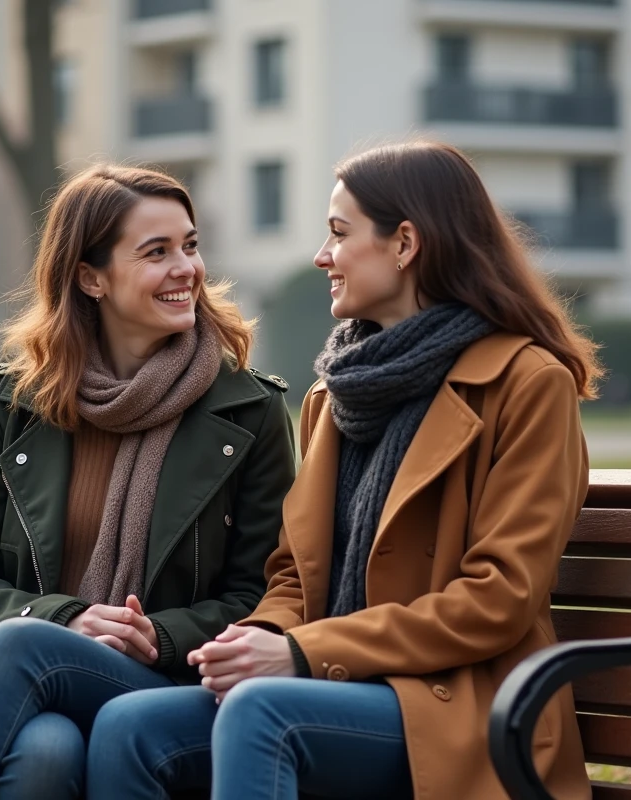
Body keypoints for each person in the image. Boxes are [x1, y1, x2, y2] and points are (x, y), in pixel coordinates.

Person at [87, 140, 601, 800]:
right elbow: (294, 574)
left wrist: (303, 652)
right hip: (337, 689)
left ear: (405, 244)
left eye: (338, 233)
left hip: (465, 707)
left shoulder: (527, 384)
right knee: (128, 726)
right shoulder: (335, 397)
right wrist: (260, 637)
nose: (321, 256)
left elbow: (498, 598)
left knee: (261, 712)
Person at [0, 164, 298, 800]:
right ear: (91, 278)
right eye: (156, 252)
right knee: (45, 752)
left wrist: (159, 636)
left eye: (190, 246)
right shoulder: (15, 403)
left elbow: (264, 593)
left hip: (163, 687)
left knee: (26, 646)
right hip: (2, 688)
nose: (186, 269)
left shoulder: (248, 414)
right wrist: (67, 620)